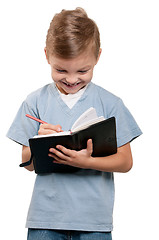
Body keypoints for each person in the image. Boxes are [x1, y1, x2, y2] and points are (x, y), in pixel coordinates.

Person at [7, 7, 142, 240]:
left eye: (83, 70)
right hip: (45, 219)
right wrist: (38, 142)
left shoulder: (111, 103)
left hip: (94, 223)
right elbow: (27, 164)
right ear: (47, 55)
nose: (71, 79)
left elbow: (126, 161)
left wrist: (87, 161)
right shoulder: (35, 102)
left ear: (98, 57)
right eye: (60, 70)